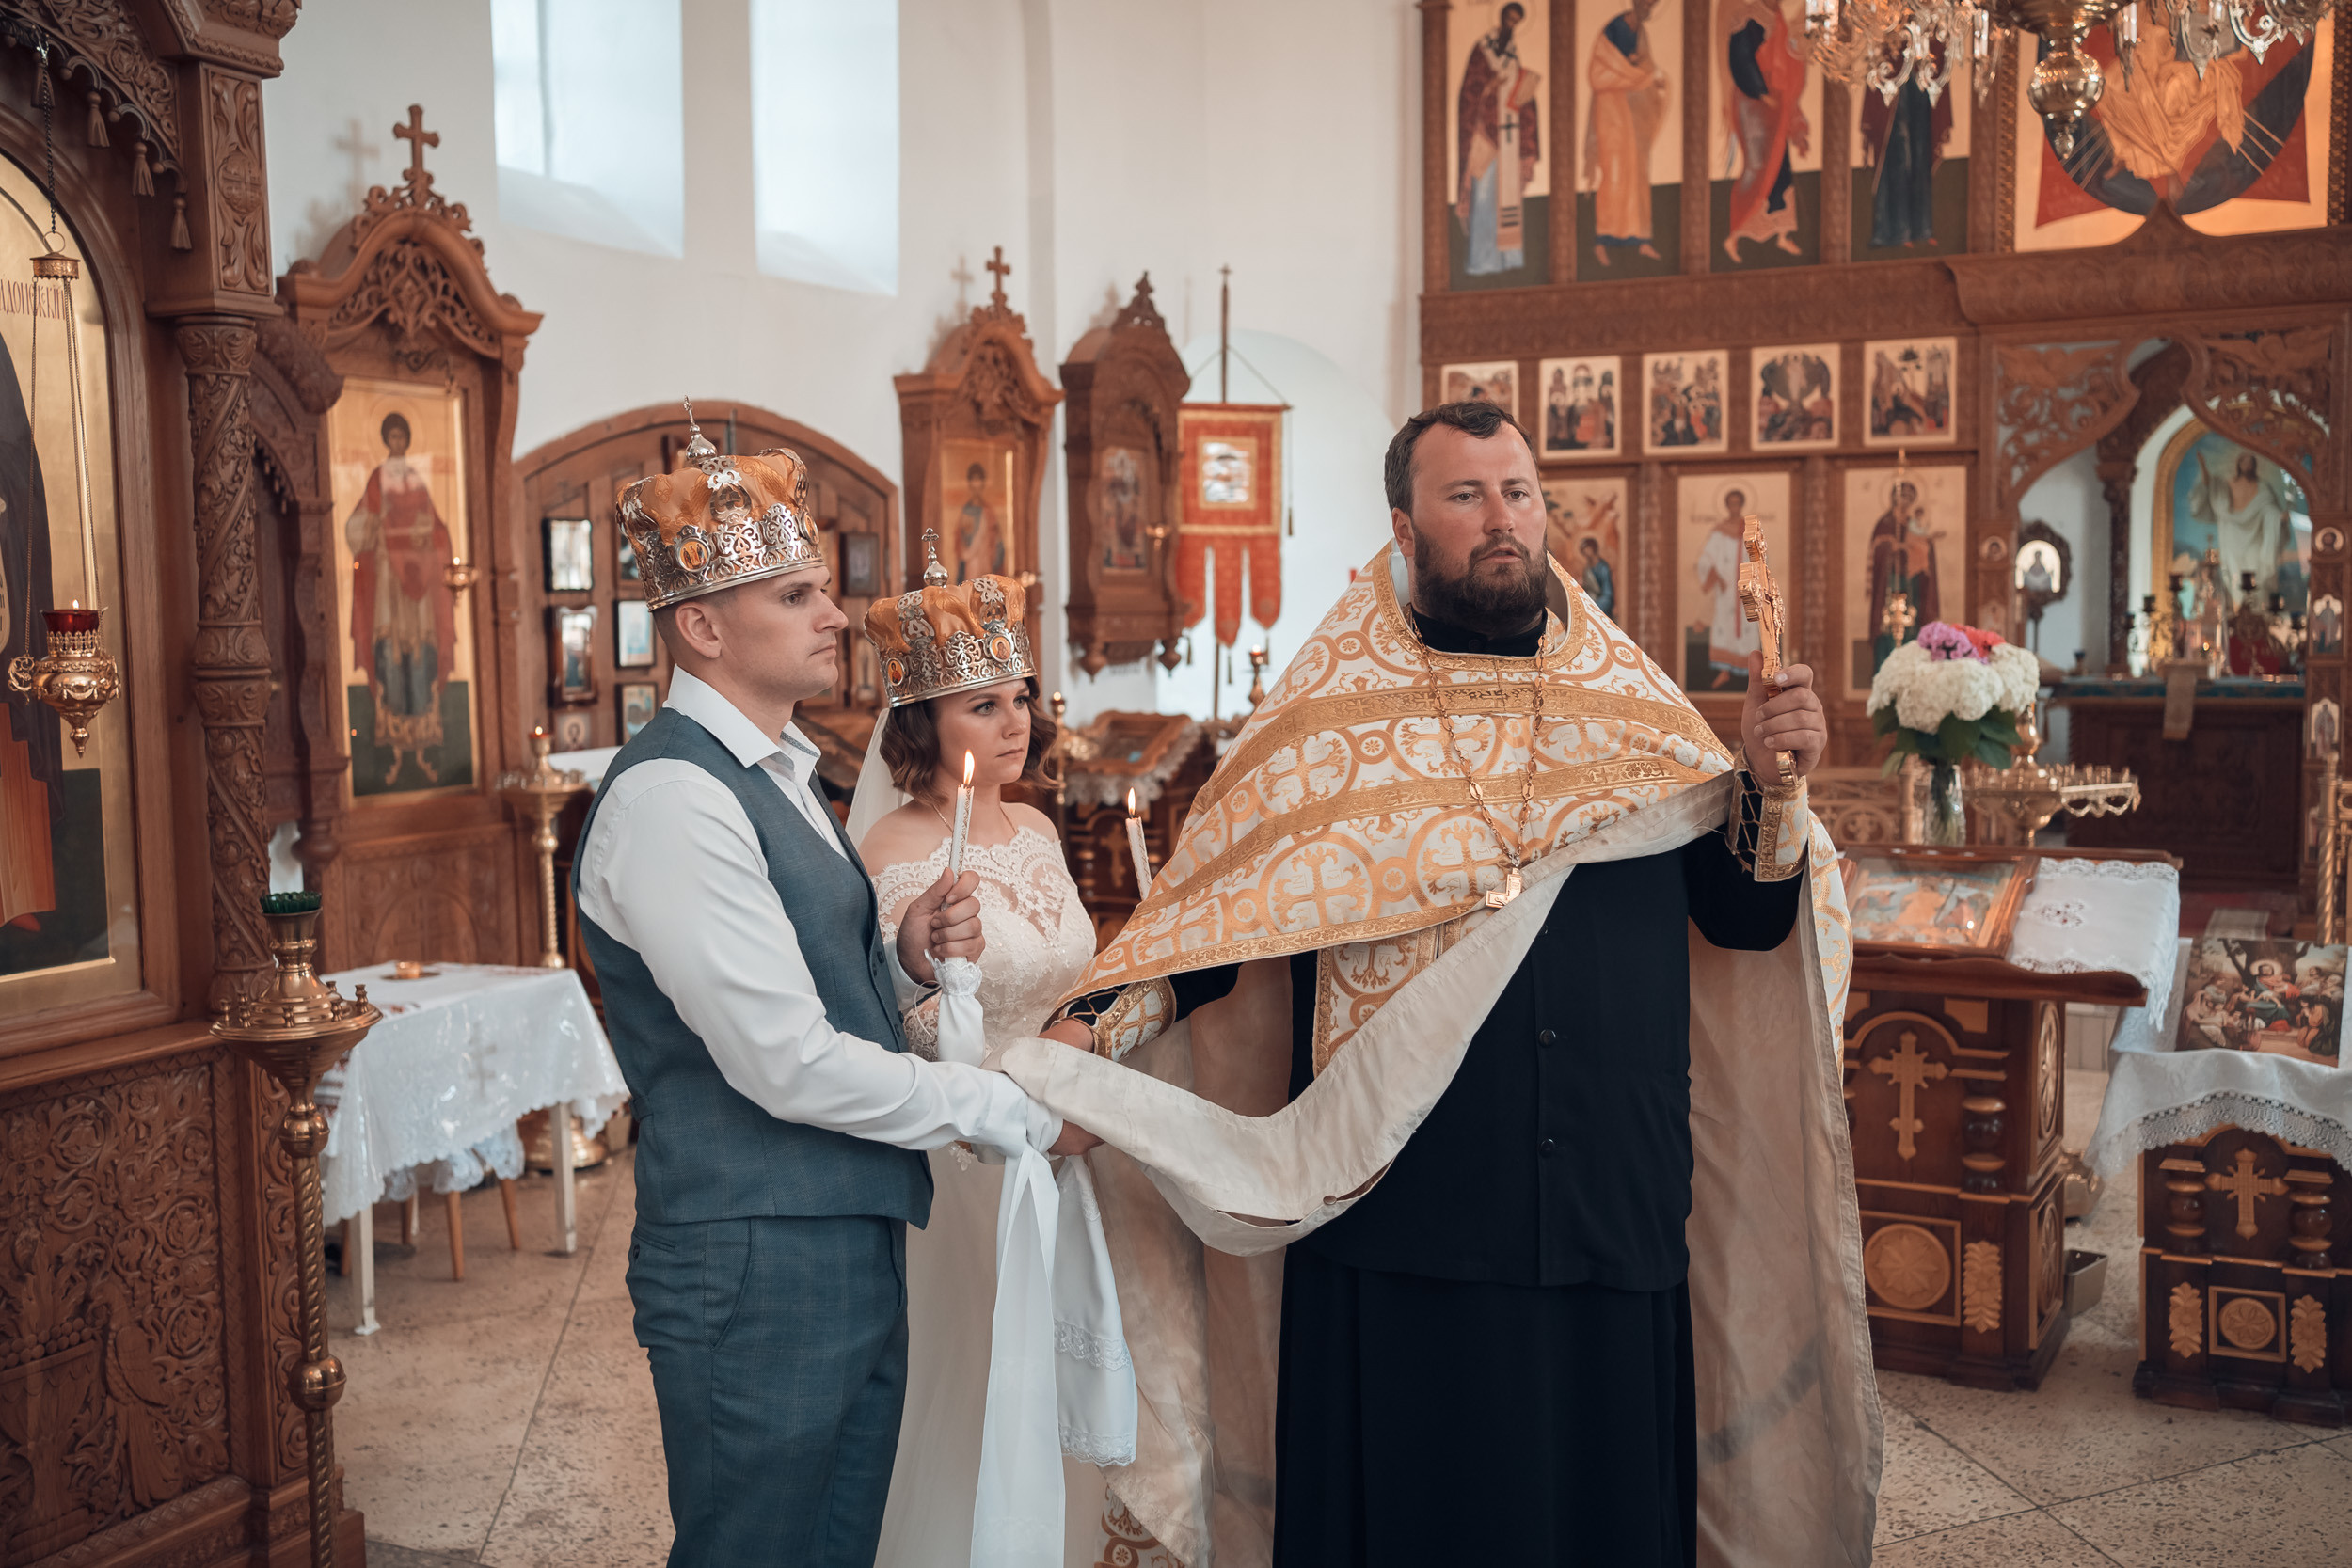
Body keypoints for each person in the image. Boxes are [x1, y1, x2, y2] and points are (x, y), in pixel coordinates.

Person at [994, 402, 1879, 1566]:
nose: (1501, 518)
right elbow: (1207, 926)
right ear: (1404, 529)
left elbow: (1745, 918)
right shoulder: (1321, 726)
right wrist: (1080, 1044)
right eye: (1466, 495)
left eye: (1519, 492)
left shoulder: (1641, 714)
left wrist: (1769, 782)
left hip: (1609, 1201)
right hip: (1400, 1212)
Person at [573, 418, 1079, 1568]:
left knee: (838, 1544)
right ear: (703, 627)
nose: (837, 615)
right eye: (796, 594)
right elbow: (784, 1059)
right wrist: (1005, 1106)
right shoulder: (675, 798)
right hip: (756, 1256)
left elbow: (797, 974)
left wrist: (899, 954)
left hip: (842, 1229)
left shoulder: (783, 772)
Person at [850, 538, 1120, 1565]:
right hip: (975, 1155)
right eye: (985, 705)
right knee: (985, 1374)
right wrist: (1029, 1106)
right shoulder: (889, 851)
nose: (1018, 723)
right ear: (923, 724)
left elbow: (1074, 976)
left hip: (1081, 1138)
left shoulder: (1041, 829)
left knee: (1070, 1371)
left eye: (1021, 698)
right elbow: (915, 1021)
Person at [1455, 1, 1542, 275]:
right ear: (1502, 18)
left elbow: (1519, 93)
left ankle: (1508, 259)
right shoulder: (1481, 50)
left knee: (1508, 197)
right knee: (1484, 196)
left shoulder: (1513, 56)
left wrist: (1526, 92)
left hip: (1509, 136)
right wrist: (1489, 87)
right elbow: (1469, 91)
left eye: (1516, 22)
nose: (1512, 26)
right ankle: (1483, 261)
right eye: (1510, 20)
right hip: (1484, 138)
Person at [1584, 0, 1668, 267]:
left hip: (1633, 113)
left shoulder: (1641, 34)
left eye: (1652, 5)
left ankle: (1641, 239)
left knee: (1639, 173)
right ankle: (1602, 240)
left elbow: (1646, 67)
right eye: (1646, 4)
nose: (1648, 9)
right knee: (1613, 172)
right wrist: (1635, 74)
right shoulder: (1612, 30)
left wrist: (1651, 81)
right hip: (1610, 111)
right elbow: (1598, 74)